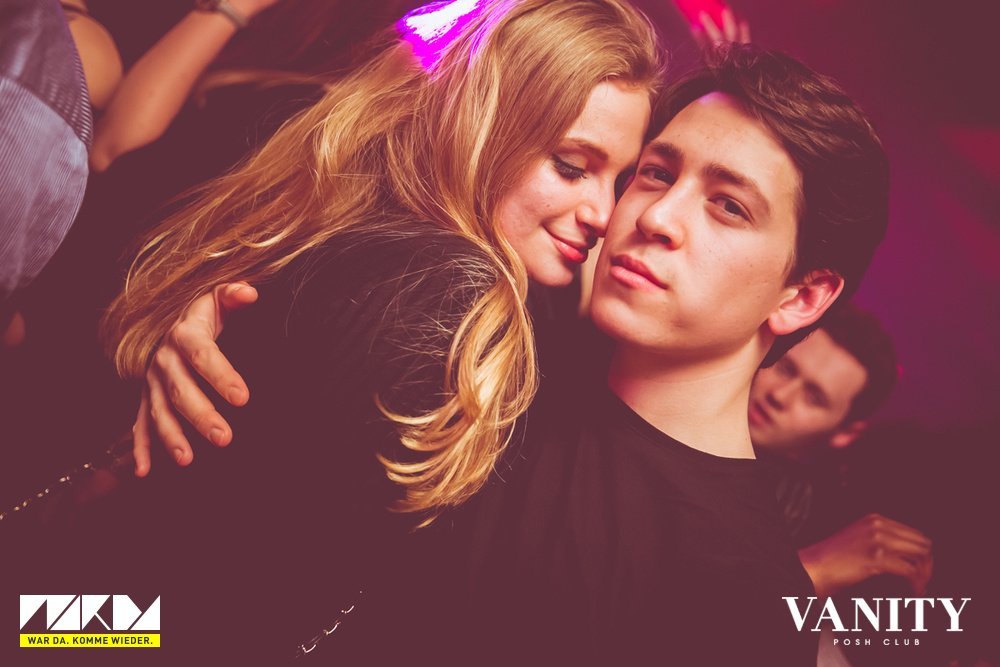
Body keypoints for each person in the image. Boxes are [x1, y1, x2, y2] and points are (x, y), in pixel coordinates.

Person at [89, 0, 661, 662]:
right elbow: (217, 596)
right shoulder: (453, 294)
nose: (603, 213)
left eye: (622, 178)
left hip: (114, 606)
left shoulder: (358, 216)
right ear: (483, 124)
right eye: (571, 165)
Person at [456, 44, 890, 665]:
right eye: (658, 173)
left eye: (729, 206)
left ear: (801, 297)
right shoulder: (490, 353)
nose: (657, 216)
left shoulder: (738, 592)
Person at [748, 304, 934, 600]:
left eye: (814, 398)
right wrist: (813, 570)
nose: (779, 396)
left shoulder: (799, 513)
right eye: (785, 368)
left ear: (845, 433)